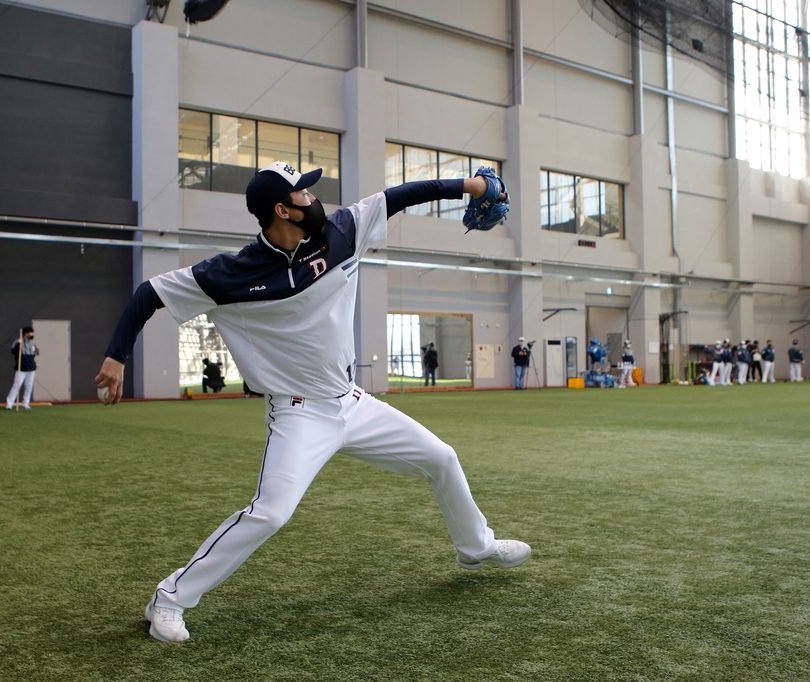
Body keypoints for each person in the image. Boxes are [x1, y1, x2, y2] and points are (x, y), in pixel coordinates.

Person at [94, 161, 529, 643]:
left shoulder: (343, 231)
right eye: (303, 193)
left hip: (353, 403)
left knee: (442, 458)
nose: (313, 198)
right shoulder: (230, 273)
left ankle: (476, 548)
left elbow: (402, 194)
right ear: (282, 210)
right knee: (271, 513)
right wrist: (116, 357)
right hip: (300, 413)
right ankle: (169, 599)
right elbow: (148, 293)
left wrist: (468, 186)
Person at [5, 326, 39, 410]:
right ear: (26, 334)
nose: (31, 334)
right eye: (30, 333)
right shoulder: (17, 342)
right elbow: (14, 352)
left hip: (31, 368)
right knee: (16, 385)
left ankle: (25, 403)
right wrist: (18, 345)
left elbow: (35, 353)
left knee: (29, 386)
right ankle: (9, 403)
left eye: (32, 333)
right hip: (21, 368)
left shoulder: (33, 343)